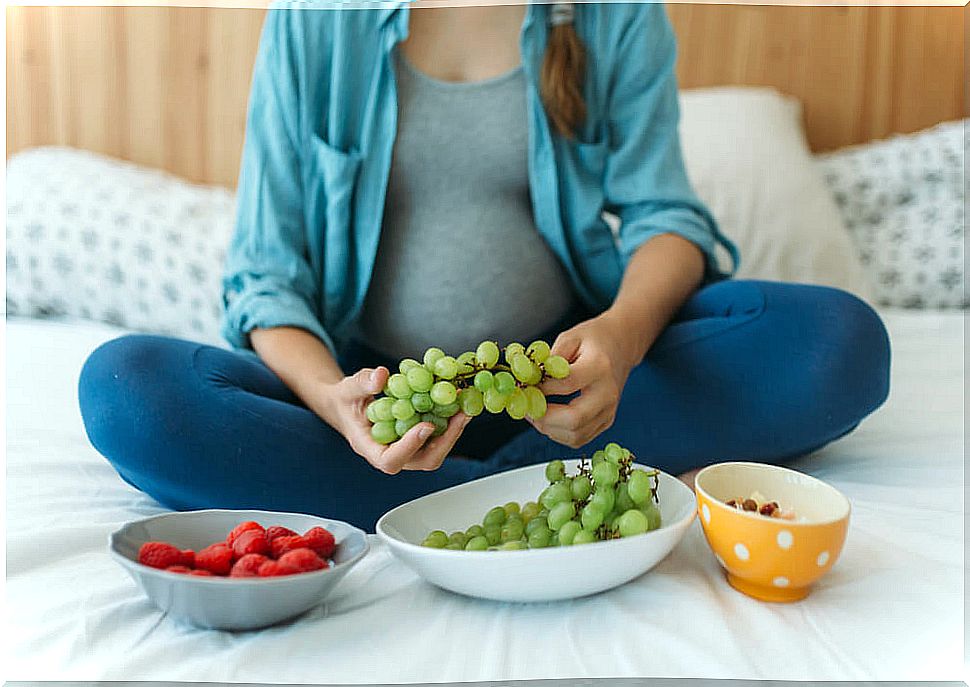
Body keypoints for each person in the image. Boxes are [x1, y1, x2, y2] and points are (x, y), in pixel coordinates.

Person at [78, 1, 890, 530]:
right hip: (377, 403)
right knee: (129, 390)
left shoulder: (614, 15)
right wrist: (333, 402)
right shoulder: (314, 20)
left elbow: (667, 221)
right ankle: (514, 494)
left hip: (572, 382)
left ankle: (431, 505)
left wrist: (621, 336)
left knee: (838, 340)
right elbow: (265, 277)